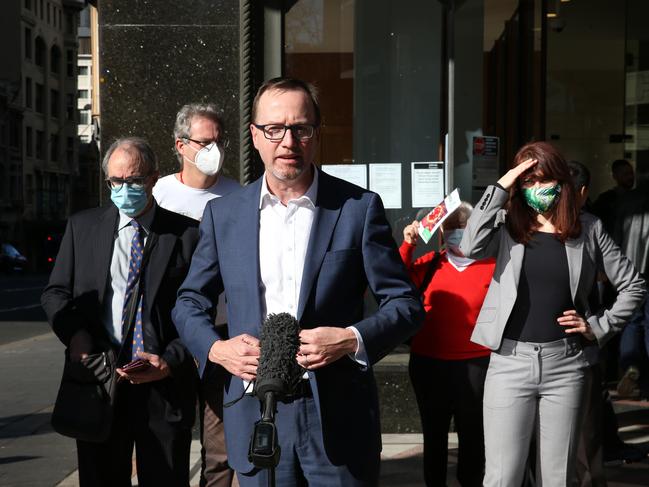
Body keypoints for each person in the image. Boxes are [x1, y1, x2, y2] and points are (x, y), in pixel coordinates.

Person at [172, 77, 424, 486]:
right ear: (255, 136)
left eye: (300, 128)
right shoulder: (225, 215)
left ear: (316, 134)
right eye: (274, 129)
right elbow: (188, 301)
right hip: (255, 411)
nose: (287, 141)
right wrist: (217, 349)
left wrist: (350, 339)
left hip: (337, 415)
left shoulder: (357, 209)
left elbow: (405, 305)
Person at [459, 141, 646, 486]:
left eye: (543, 180)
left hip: (566, 366)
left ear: (561, 182)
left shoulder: (588, 228)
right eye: (528, 182)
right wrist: (507, 181)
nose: (536, 189)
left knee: (558, 478)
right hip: (509, 363)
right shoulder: (506, 224)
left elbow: (634, 285)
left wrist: (598, 326)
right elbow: (469, 246)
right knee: (502, 477)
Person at [41, 137, 200, 486]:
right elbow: (56, 294)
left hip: (163, 386)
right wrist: (76, 335)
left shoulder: (187, 235)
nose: (124, 189)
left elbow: (201, 310)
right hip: (101, 380)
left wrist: (171, 360)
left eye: (134, 180)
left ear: (155, 177)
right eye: (116, 181)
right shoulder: (83, 227)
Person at [153, 103, 241, 487]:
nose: (214, 150)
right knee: (165, 442)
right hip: (168, 338)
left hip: (221, 334)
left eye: (219, 141)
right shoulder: (157, 195)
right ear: (181, 145)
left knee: (221, 448)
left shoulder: (239, 196)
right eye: (205, 142)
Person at [400, 203, 495, 486]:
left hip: (478, 363)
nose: (457, 233)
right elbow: (392, 279)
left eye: (463, 226)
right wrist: (408, 246)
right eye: (451, 227)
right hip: (429, 364)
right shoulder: (430, 264)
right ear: (441, 231)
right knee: (434, 434)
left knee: (473, 435)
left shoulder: (493, 266)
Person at [615, 170, 649, 400]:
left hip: (629, 270)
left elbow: (615, 237)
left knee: (630, 320)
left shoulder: (625, 201)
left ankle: (630, 364)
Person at [592, 159, 635, 237]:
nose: (630, 177)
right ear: (615, 176)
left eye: (631, 173)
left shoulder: (637, 197)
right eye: (625, 174)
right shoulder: (605, 199)